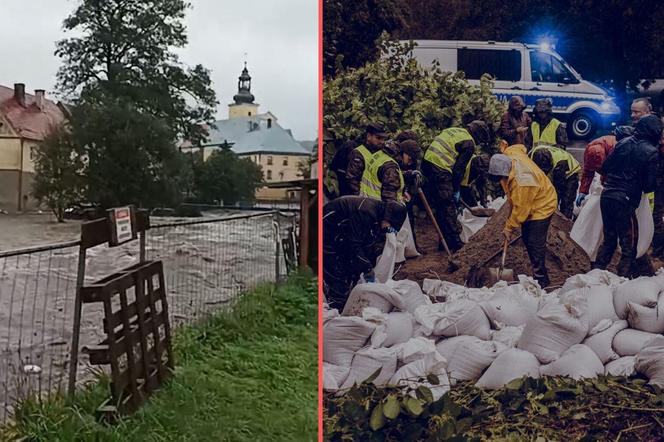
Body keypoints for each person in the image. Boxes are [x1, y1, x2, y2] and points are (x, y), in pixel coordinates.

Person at [593, 115, 662, 277]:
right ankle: (622, 281)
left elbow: (605, 167)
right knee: (628, 247)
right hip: (625, 201)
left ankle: (595, 274)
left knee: (609, 240)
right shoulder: (651, 152)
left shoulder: (623, 143)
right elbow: (649, 186)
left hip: (607, 195)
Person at [489, 146, 558, 287]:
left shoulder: (523, 182)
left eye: (502, 178)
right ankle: (537, 270)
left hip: (543, 204)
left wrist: (509, 228)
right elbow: (520, 147)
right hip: (532, 198)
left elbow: (521, 211)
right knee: (527, 238)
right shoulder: (510, 155)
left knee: (534, 242)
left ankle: (542, 280)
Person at [322, 196, 407, 310]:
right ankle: (337, 306)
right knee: (336, 268)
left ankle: (343, 298)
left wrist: (367, 263)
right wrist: (367, 268)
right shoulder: (365, 212)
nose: (389, 230)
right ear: (388, 217)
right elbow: (354, 245)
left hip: (341, 232)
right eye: (390, 226)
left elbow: (367, 243)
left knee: (350, 266)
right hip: (327, 228)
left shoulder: (377, 215)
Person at [421, 121, 491, 252]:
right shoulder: (469, 143)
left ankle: (444, 243)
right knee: (448, 206)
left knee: (441, 206)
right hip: (440, 167)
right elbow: (458, 170)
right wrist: (455, 190)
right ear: (478, 134)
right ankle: (455, 243)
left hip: (427, 163)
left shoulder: (456, 131)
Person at [576, 126, 635, 206]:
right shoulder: (590, 152)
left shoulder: (617, 149)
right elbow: (588, 172)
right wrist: (583, 191)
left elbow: (611, 172)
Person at [346, 123, 404, 202]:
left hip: (378, 201)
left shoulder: (382, 152)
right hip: (363, 202)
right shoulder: (358, 153)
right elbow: (352, 181)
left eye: (384, 139)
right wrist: (357, 201)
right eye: (378, 138)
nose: (382, 142)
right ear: (369, 136)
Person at [529, 145, 581, 219]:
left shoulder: (560, 163)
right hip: (555, 171)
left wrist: (552, 206)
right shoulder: (532, 154)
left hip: (570, 175)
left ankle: (565, 222)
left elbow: (558, 189)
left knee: (566, 200)